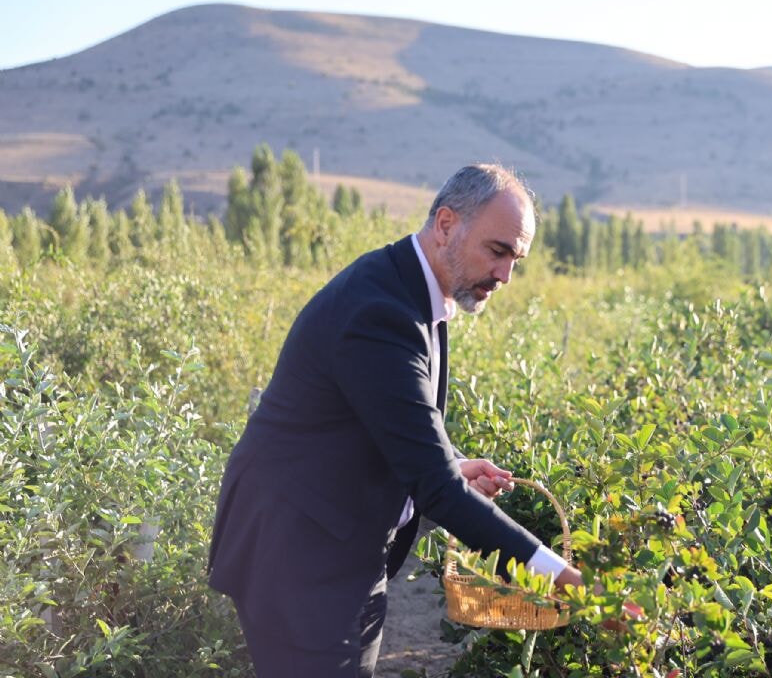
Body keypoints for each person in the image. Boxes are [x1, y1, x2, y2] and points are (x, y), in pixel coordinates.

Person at [207, 164, 586, 677]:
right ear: (447, 224)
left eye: (516, 259)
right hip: (299, 558)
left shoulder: (412, 292)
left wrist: (452, 462)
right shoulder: (380, 312)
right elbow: (439, 492)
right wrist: (565, 579)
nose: (505, 276)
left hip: (334, 545)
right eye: (498, 252)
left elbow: (385, 417)